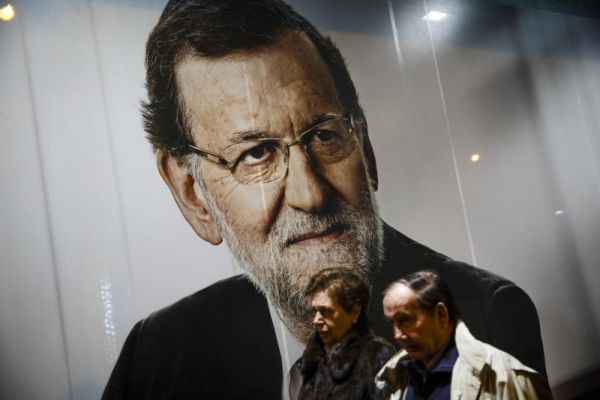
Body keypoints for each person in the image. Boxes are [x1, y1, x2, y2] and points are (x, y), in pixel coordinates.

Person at [102, 1, 547, 399]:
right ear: (192, 194)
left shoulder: (483, 321)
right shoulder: (156, 353)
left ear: (365, 148)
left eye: (324, 134)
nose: (310, 193)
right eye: (255, 154)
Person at [375, 271, 552, 400]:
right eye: (392, 323)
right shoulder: (395, 378)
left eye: (406, 320)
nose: (397, 335)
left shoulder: (503, 377)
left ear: (441, 314)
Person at [297, 268, 395, 400]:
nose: (316, 320)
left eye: (326, 311)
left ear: (355, 312)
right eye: (315, 311)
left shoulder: (375, 355)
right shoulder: (313, 358)